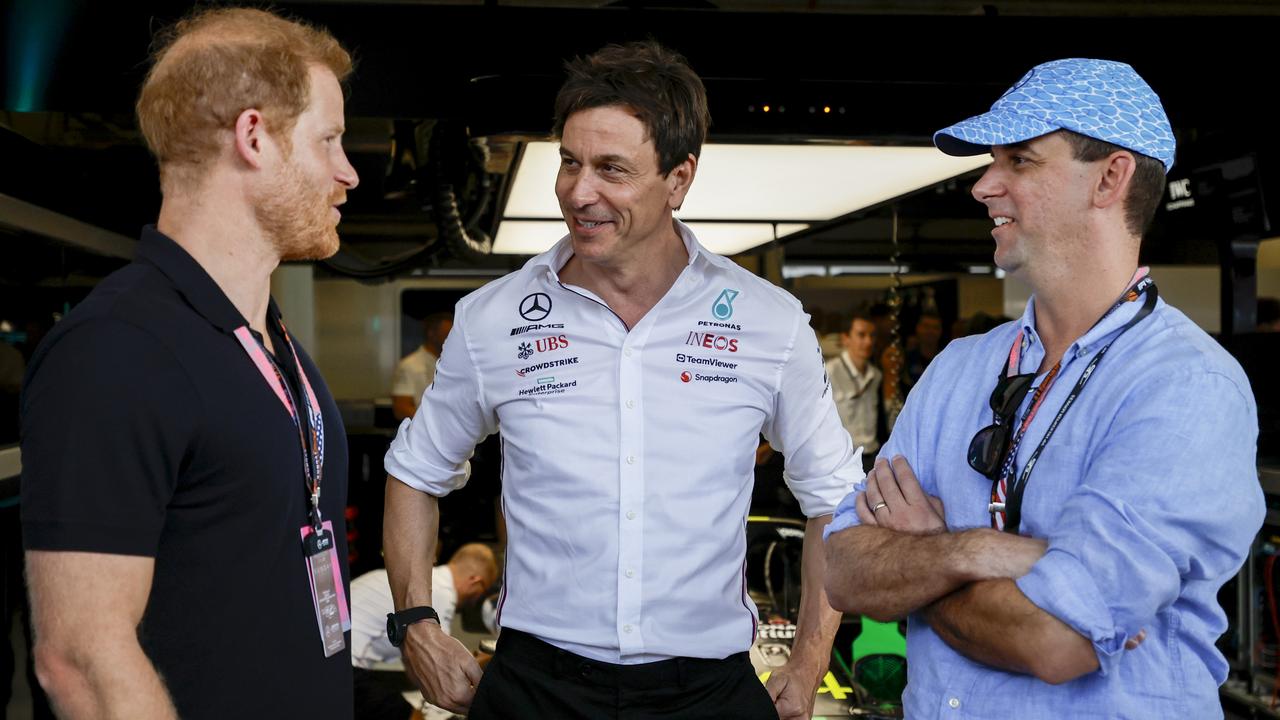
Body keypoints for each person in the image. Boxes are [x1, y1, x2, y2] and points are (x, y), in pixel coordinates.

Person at [381, 40, 858, 720]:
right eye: (569, 163)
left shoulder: (767, 322)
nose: (579, 192)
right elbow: (414, 472)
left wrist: (810, 661)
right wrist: (416, 624)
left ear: (679, 179)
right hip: (535, 688)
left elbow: (834, 502)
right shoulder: (494, 319)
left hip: (707, 691)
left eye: (612, 169)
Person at [824, 58, 1263, 718]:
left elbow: (1055, 639)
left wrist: (920, 563)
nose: (983, 186)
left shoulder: (1185, 388)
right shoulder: (958, 370)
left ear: (1110, 178)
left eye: (1020, 161)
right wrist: (987, 551)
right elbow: (843, 570)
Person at [19, 8, 359, 718]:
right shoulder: (118, 349)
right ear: (255, 136)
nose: (347, 172)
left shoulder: (269, 339)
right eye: (328, 140)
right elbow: (80, 660)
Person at [351, 544, 498, 720]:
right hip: (349, 668)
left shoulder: (421, 582)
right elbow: (440, 673)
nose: (476, 602)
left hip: (331, 656)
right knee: (415, 717)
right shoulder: (438, 596)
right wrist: (488, 660)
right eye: (481, 592)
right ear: (475, 581)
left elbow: (415, 665)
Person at [826, 311, 881, 472]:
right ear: (845, 338)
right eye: (861, 335)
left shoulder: (876, 374)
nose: (868, 341)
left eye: (872, 336)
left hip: (872, 457)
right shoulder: (830, 372)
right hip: (841, 460)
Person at [392, 311, 454, 420]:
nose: (453, 338)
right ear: (431, 334)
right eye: (448, 334)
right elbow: (401, 408)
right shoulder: (410, 365)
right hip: (425, 431)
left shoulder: (453, 363)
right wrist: (433, 422)